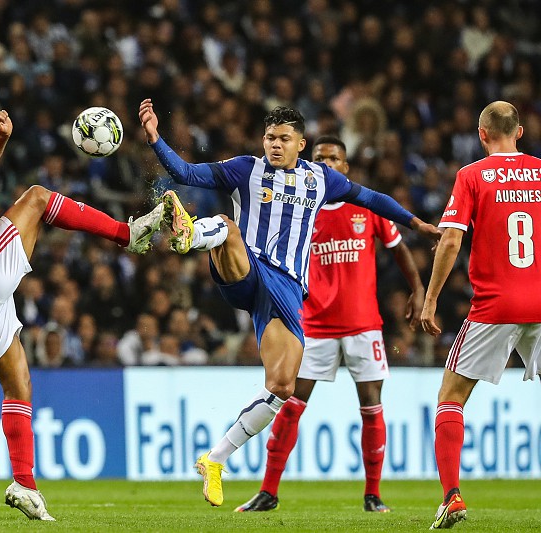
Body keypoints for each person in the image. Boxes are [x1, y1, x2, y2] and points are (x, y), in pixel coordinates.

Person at [139, 98, 440, 507]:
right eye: (269, 137)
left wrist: (415, 222)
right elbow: (187, 172)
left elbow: (372, 198)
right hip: (246, 271)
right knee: (227, 228)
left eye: (283, 138)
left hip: (285, 291)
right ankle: (188, 233)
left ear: (301, 143)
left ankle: (214, 459)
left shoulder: (321, 179)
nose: (274, 145)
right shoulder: (245, 168)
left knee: (281, 388)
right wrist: (157, 139)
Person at [0, 106, 164, 521]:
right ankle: (129, 233)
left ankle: (25, 485)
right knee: (37, 197)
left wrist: (4, 140)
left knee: (19, 388)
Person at [235, 136, 425, 514]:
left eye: (334, 158)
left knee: (372, 406)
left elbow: (398, 247)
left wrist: (418, 288)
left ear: (345, 166)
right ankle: (268, 491)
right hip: (314, 325)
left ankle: (373, 494)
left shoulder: (365, 208)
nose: (327, 163)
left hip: (363, 324)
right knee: (287, 402)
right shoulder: (302, 207)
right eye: (320, 158)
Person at [420, 101, 541, 530]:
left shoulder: (472, 175)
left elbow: (451, 239)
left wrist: (431, 298)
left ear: (482, 134)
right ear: (521, 132)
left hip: (495, 305)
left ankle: (452, 496)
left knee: (451, 397)